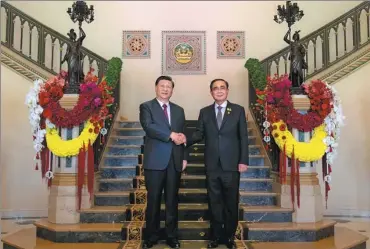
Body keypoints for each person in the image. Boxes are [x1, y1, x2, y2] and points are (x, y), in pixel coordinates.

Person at [186, 79, 249, 249]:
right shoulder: (205, 112)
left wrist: (244, 160)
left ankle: (229, 237)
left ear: (227, 91)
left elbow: (243, 136)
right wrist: (184, 140)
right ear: (211, 92)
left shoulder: (238, 110)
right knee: (214, 202)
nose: (219, 91)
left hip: (232, 165)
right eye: (215, 88)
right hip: (212, 165)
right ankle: (215, 236)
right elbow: (199, 134)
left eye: (222, 88)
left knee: (230, 203)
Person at [139, 76, 187, 249]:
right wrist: (170, 135)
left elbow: (183, 135)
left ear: (172, 90)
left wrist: (184, 157)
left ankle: (171, 236)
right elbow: (149, 126)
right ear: (156, 88)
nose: (165, 89)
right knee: (153, 200)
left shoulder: (179, 110)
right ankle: (151, 236)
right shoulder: (146, 107)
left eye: (169, 86)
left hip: (174, 161)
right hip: (155, 162)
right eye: (162, 86)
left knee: (172, 200)